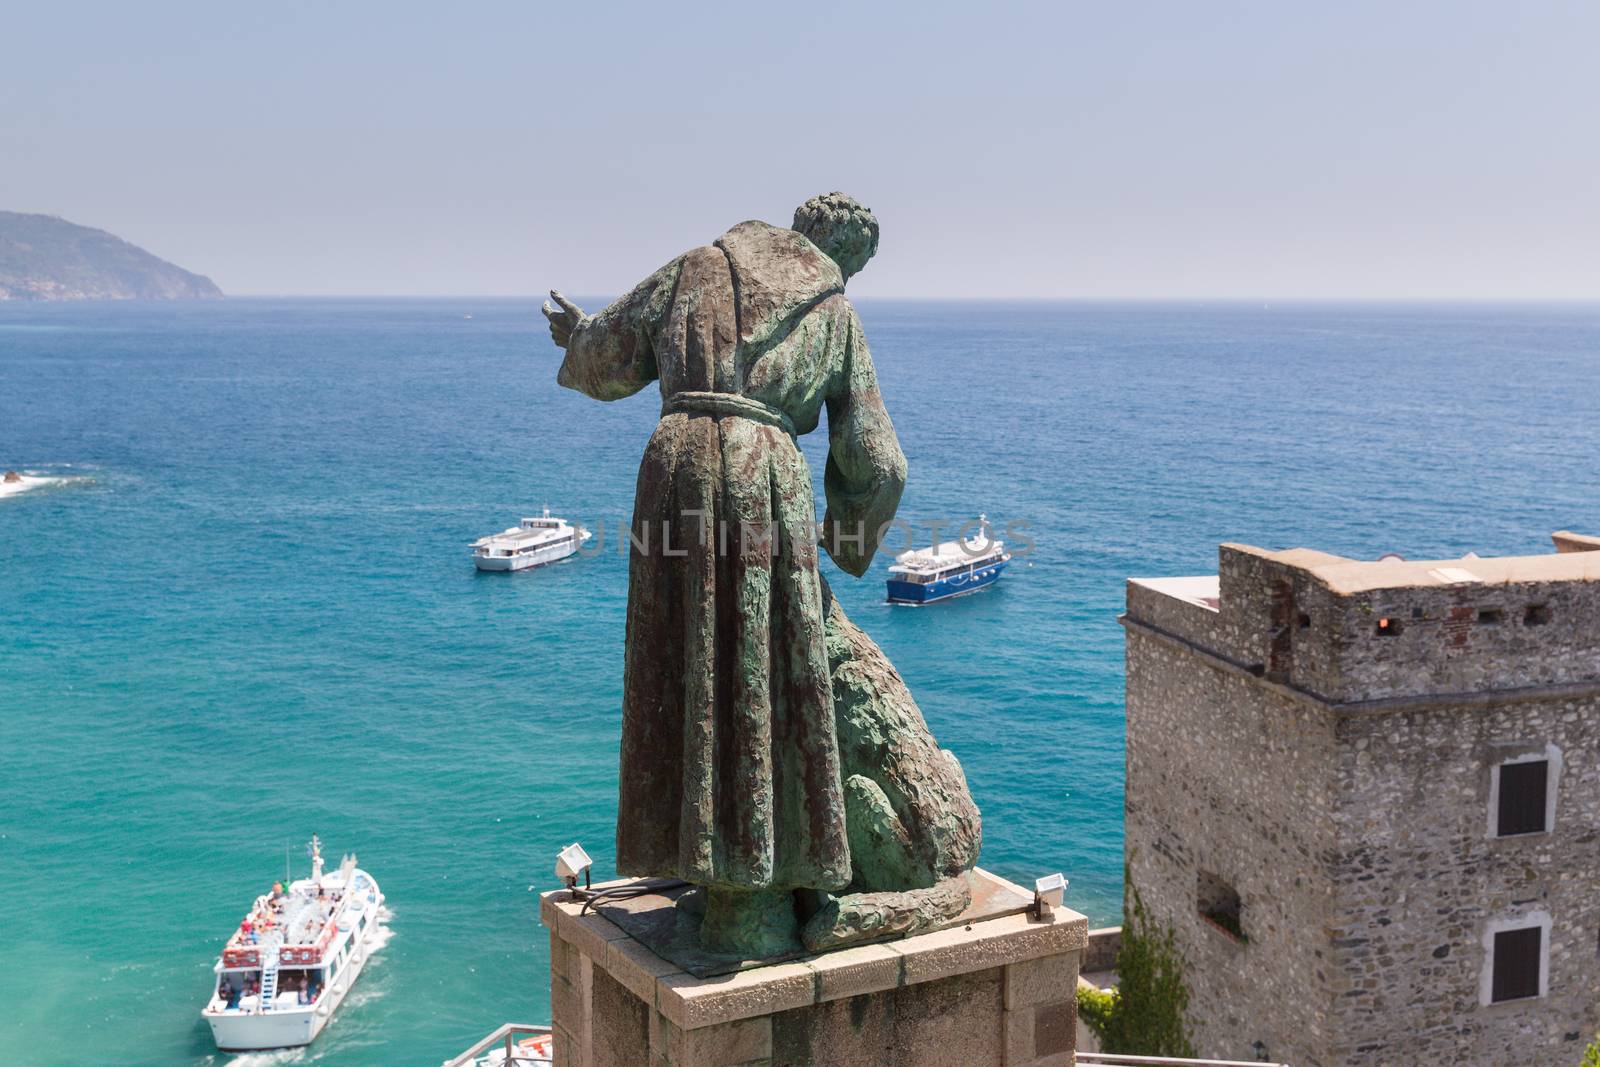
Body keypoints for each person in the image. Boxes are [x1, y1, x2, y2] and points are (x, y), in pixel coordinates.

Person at [546, 193, 905, 952]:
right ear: (842, 257)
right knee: (756, 674)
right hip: (759, 481)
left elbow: (610, 351)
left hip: (672, 471)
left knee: (682, 661)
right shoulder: (835, 313)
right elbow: (878, 464)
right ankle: (755, 902)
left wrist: (575, 338)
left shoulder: (700, 264)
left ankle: (704, 871)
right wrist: (846, 540)